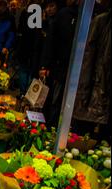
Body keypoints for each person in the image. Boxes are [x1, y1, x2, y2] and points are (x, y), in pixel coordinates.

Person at [72, 0, 111, 141]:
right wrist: (83, 94)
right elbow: (87, 60)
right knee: (82, 136)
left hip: (101, 90)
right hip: (95, 89)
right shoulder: (101, 22)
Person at [39, 0, 78, 128]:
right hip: (58, 66)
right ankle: (49, 127)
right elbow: (51, 43)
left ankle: (53, 126)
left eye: (52, 6)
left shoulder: (79, 15)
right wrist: (46, 65)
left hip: (69, 67)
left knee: (60, 100)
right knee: (54, 99)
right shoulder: (63, 15)